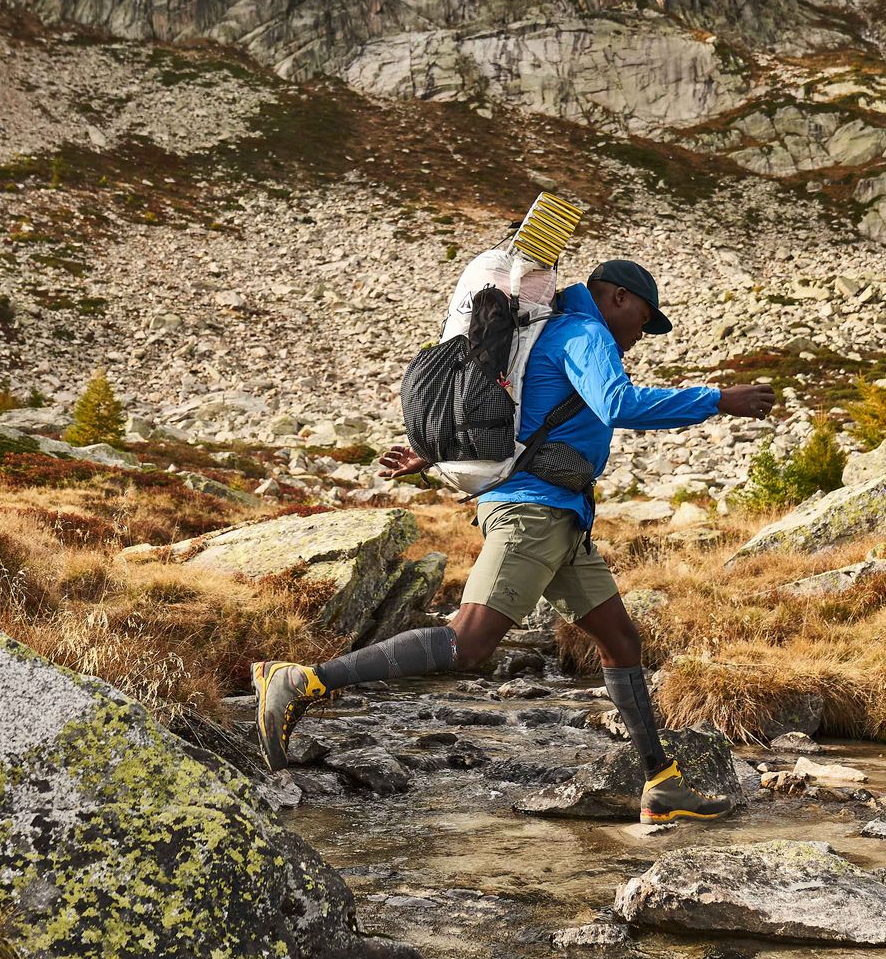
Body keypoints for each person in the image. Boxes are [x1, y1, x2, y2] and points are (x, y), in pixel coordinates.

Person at [250, 259, 776, 824]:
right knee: (469, 643)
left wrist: (434, 463)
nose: (638, 338)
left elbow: (518, 423)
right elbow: (619, 405)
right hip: (533, 514)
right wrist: (719, 400)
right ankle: (300, 680)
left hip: (564, 517)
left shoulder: (546, 334)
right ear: (620, 299)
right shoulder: (583, 332)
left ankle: (663, 786)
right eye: (643, 322)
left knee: (621, 641)